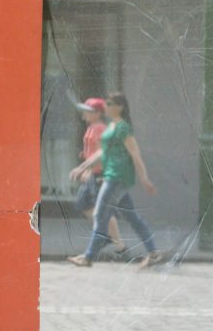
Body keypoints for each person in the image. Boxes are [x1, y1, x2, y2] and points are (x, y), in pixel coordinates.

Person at [66, 92, 162, 268]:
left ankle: (88, 257)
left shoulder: (123, 127)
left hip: (117, 177)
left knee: (99, 214)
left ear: (120, 107)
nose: (106, 107)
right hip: (111, 175)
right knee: (131, 217)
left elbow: (135, 153)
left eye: (110, 104)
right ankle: (154, 253)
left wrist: (144, 178)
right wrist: (82, 167)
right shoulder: (111, 127)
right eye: (106, 104)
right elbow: (102, 153)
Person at [72, 97, 125, 255]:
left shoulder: (100, 128)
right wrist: (86, 156)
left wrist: (86, 169)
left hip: (100, 174)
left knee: (104, 210)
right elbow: (93, 151)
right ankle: (106, 235)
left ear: (96, 113)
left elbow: (103, 153)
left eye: (87, 111)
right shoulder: (92, 127)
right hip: (92, 173)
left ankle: (120, 246)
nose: (84, 114)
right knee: (84, 204)